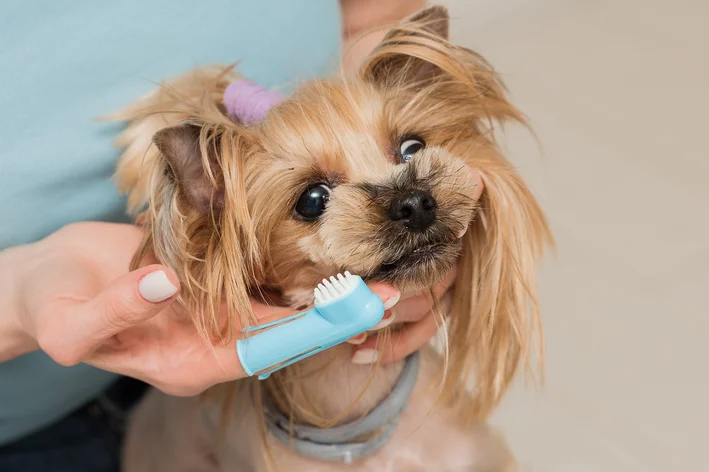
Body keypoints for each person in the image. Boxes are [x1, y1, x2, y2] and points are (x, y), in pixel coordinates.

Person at [0, 0, 457, 471]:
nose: (410, 199)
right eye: (313, 201)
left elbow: (378, 19)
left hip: (230, 347)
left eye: (409, 150)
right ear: (211, 211)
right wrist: (14, 301)